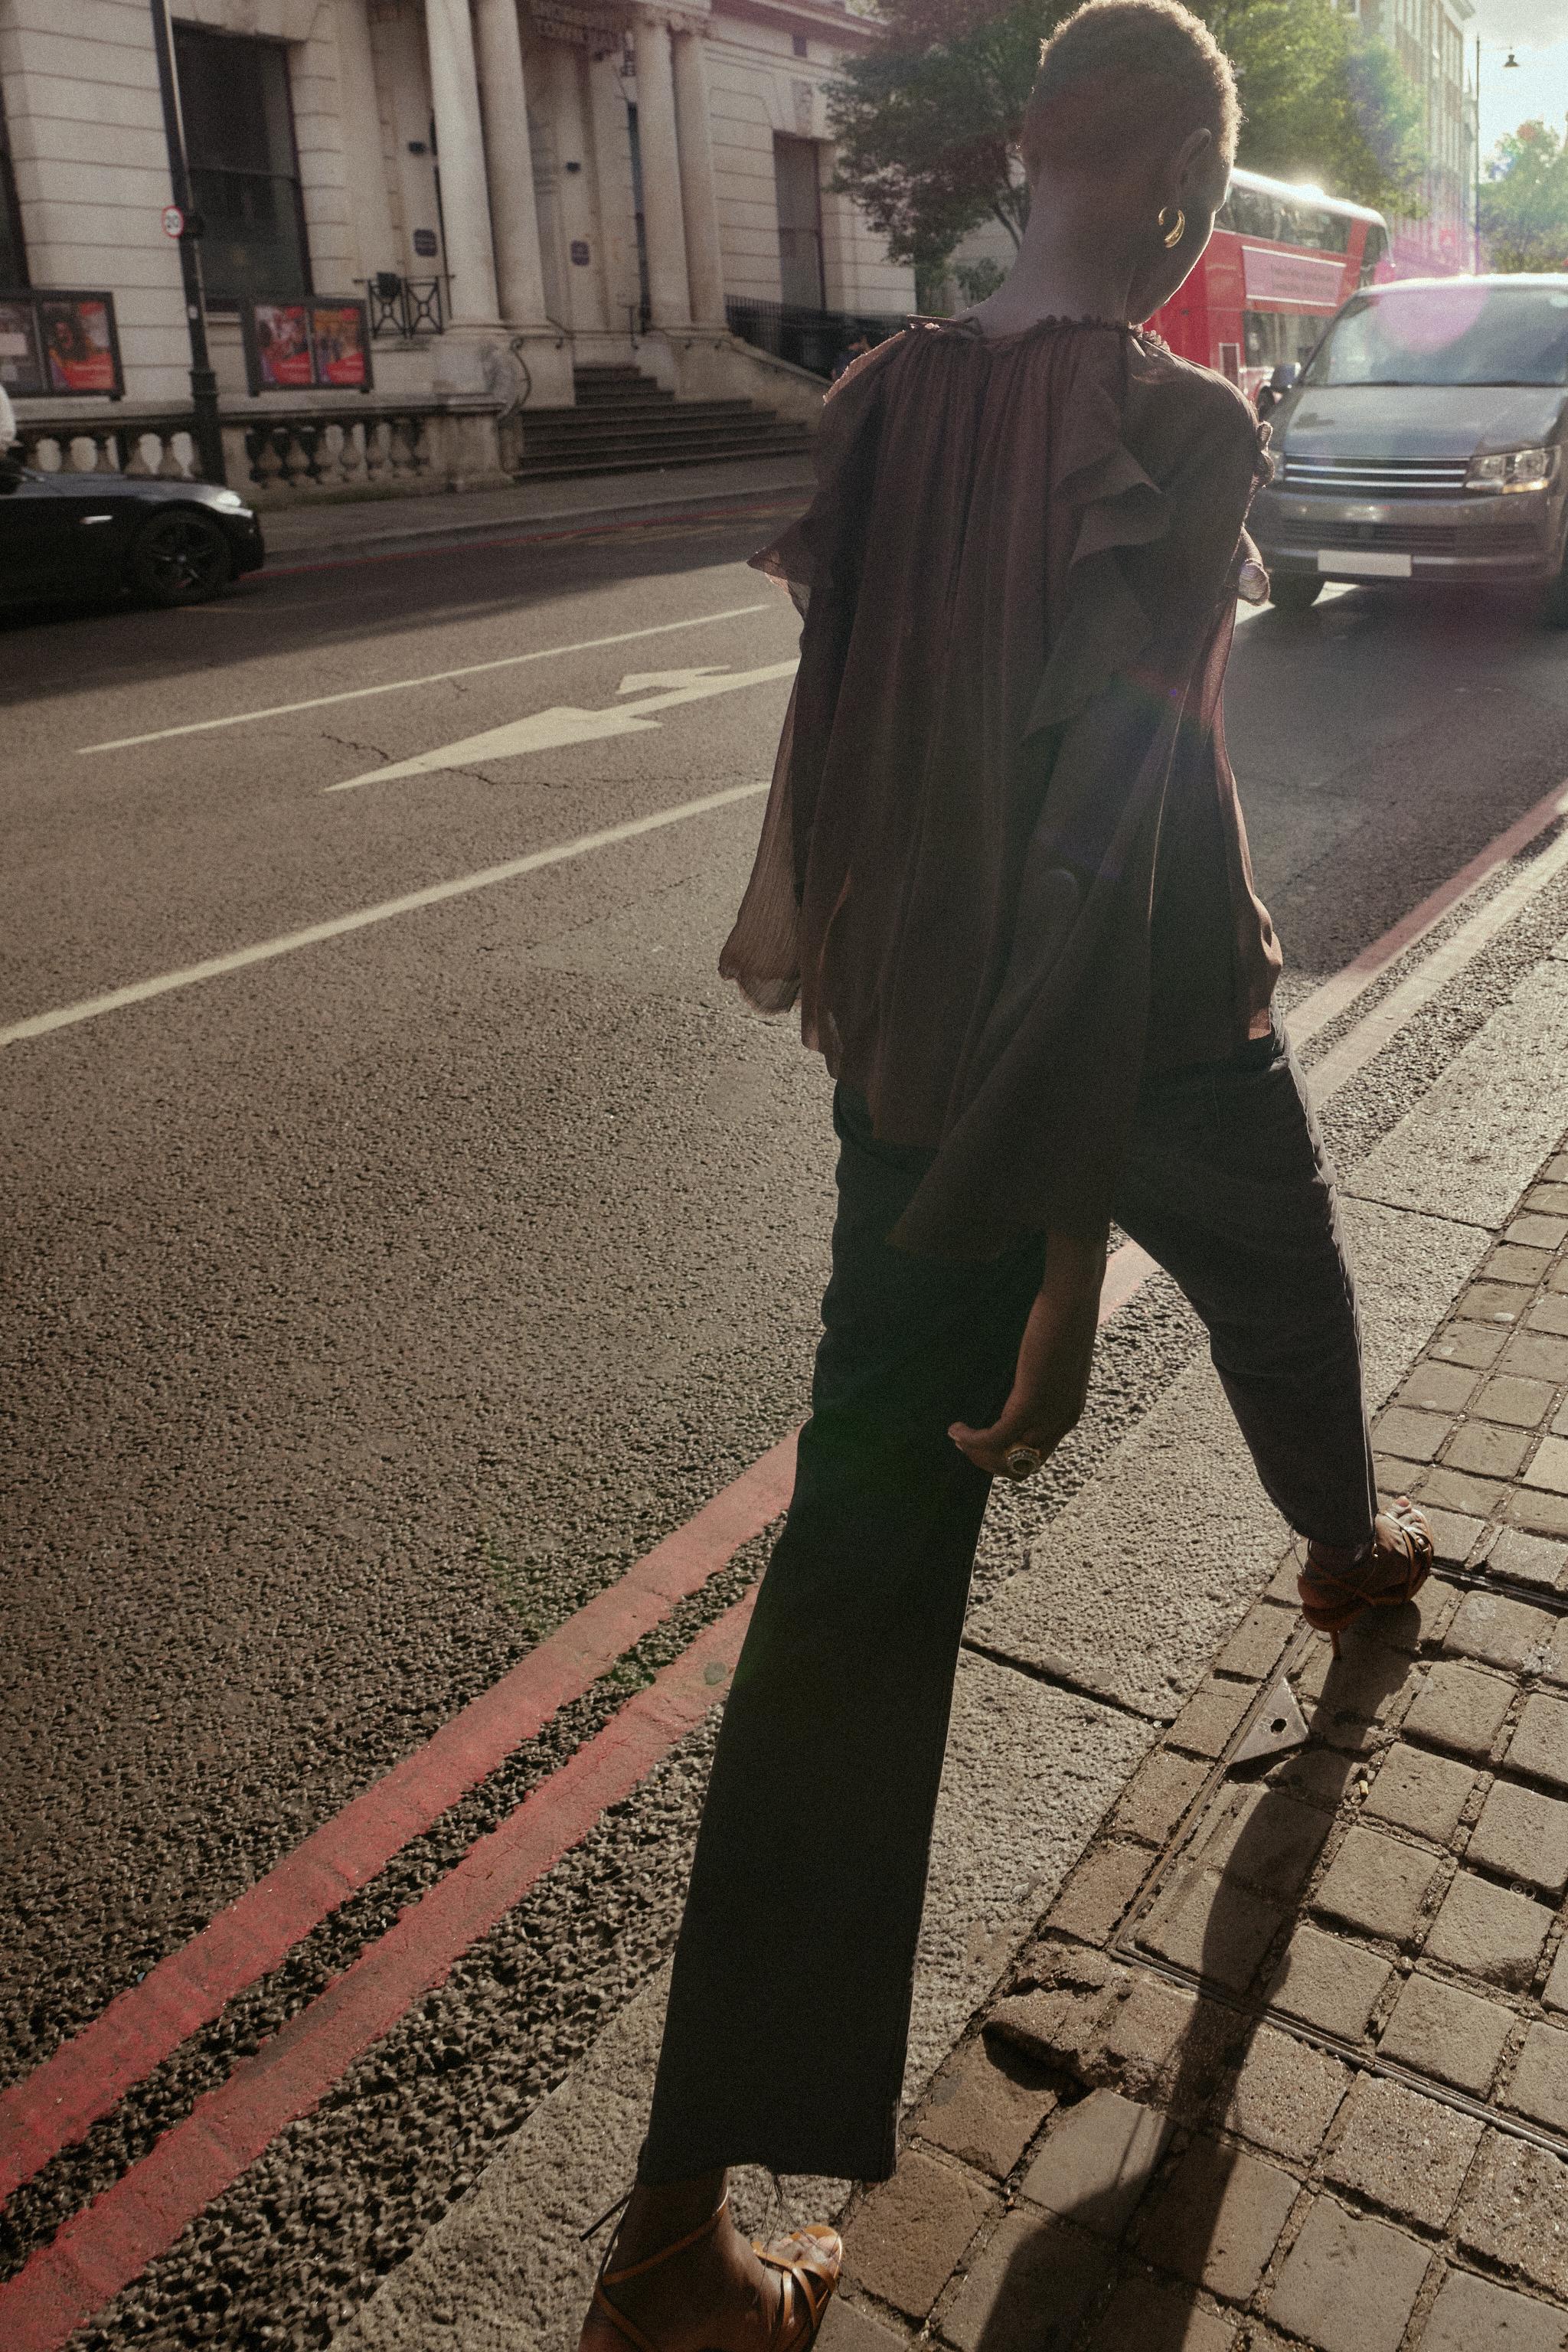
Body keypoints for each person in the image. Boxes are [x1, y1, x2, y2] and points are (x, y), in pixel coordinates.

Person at [578, 6, 1432, 2348]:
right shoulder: (1178, 423)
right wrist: (1061, 1268)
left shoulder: (880, 407)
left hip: (926, 1059)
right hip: (1136, 1038)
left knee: (850, 1585)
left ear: (1035, 156)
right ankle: (1350, 1552)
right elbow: (1110, 835)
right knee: (1287, 1285)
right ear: (1176, 201)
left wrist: (892, 1085)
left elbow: (842, 784)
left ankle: (667, 2242)